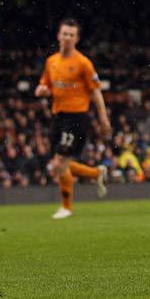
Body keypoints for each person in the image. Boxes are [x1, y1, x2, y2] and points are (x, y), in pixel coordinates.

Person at [35, 19, 112, 219]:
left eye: (71, 35)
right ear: (58, 36)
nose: (67, 37)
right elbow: (46, 84)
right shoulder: (51, 61)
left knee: (60, 163)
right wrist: (42, 89)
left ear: (76, 39)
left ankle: (67, 207)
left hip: (77, 117)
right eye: (65, 34)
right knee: (57, 164)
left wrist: (103, 119)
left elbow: (96, 92)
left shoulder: (83, 63)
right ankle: (96, 174)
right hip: (58, 116)